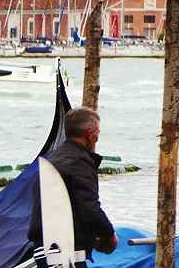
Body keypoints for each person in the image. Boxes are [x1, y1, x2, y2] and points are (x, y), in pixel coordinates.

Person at [30, 107, 118, 256]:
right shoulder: (79, 162)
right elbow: (89, 206)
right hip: (64, 250)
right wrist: (109, 235)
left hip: (42, 245)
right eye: (97, 133)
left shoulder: (52, 159)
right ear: (91, 135)